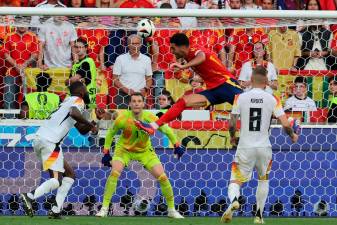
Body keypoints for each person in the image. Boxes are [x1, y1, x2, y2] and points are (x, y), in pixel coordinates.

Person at [221, 66, 298, 224]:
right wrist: (292, 135)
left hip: (245, 146)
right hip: (264, 147)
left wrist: (232, 137)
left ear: (251, 79)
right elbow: (285, 123)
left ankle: (235, 200)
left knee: (235, 180)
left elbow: (232, 123)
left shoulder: (240, 97)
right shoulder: (273, 99)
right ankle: (259, 216)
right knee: (263, 179)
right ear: (266, 81)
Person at [95, 92, 185, 219]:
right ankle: (104, 209)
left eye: (139, 101)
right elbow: (110, 133)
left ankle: (171, 210)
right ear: (129, 104)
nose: (136, 103)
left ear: (143, 104)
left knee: (163, 177)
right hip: (124, 150)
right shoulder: (122, 118)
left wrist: (176, 145)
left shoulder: (149, 117)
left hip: (145, 151)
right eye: (134, 101)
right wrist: (106, 153)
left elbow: (166, 129)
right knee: (115, 172)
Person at [135, 33, 242, 135]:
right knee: (182, 102)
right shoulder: (186, 56)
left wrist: (183, 66)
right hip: (213, 90)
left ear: (181, 47)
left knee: (251, 109)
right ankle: (152, 127)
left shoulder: (194, 49)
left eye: (173, 48)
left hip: (227, 85)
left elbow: (202, 56)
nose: (172, 51)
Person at [20, 81, 98, 219]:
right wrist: (90, 125)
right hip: (50, 142)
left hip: (42, 141)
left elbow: (81, 130)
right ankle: (30, 196)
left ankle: (56, 210)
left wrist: (93, 123)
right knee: (56, 181)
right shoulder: (78, 101)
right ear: (81, 92)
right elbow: (74, 113)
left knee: (70, 175)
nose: (87, 92)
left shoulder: (67, 102)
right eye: (85, 90)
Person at [3, 26, 39, 110]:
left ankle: (24, 118)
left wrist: (24, 65)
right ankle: (9, 120)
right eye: (20, 23)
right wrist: (16, 65)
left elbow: (35, 54)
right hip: (11, 72)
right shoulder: (9, 36)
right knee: (9, 97)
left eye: (24, 23)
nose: (22, 25)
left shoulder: (33, 36)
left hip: (27, 73)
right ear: (16, 23)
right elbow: (5, 54)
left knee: (26, 98)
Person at [113, 34, 153, 109]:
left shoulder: (147, 59)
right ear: (128, 45)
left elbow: (149, 79)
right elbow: (115, 79)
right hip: (123, 96)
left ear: (141, 45)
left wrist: (145, 89)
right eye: (133, 43)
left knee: (140, 119)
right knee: (124, 119)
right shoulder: (120, 59)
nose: (135, 46)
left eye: (137, 43)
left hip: (139, 96)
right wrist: (126, 90)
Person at [67, 38, 97, 109]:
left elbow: (72, 80)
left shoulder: (87, 61)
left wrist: (70, 81)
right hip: (77, 97)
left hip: (86, 97)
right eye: (76, 47)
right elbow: (70, 81)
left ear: (86, 48)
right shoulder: (75, 64)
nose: (78, 49)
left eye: (81, 47)